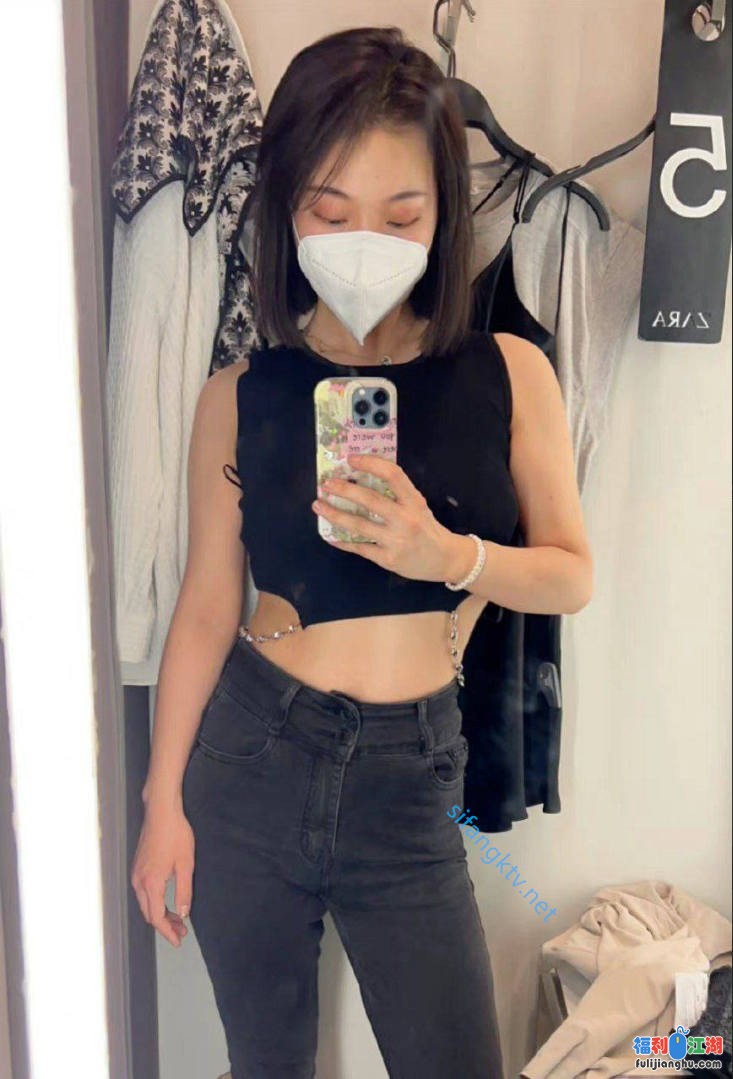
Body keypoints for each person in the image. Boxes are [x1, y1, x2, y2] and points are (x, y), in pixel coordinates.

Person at [131, 25, 593, 1079]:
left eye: (400, 214)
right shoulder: (238, 394)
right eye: (330, 211)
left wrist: (450, 555)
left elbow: (571, 571)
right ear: (286, 207)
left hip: (408, 776)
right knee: (268, 1065)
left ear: (443, 212)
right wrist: (162, 802)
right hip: (252, 756)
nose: (362, 239)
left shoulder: (509, 371)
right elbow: (205, 606)